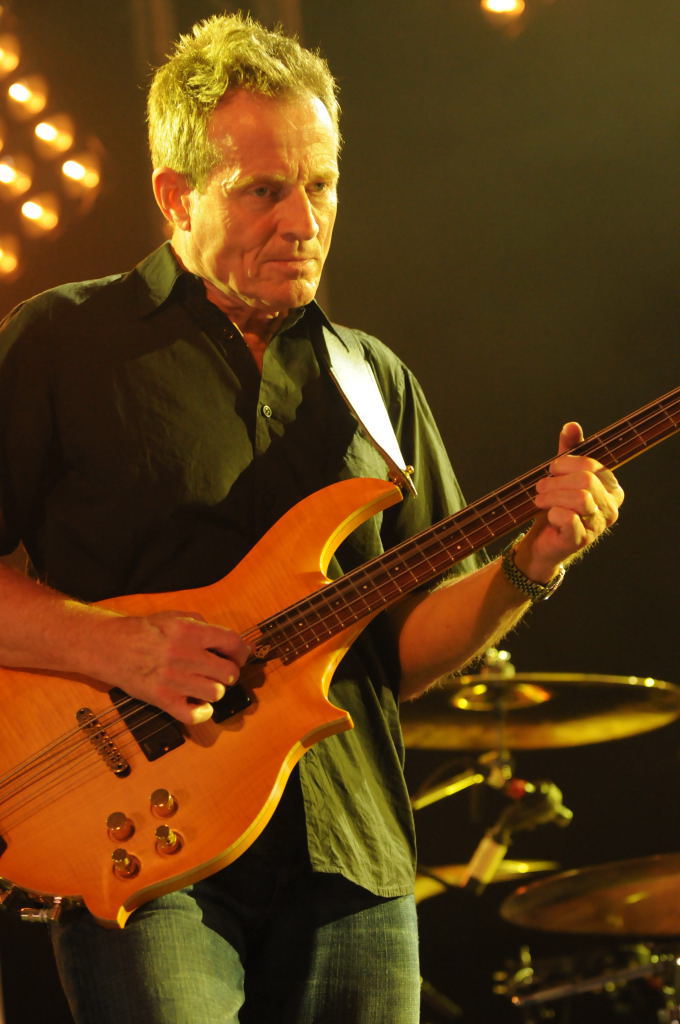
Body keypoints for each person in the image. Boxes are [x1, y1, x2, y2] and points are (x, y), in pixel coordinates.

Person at [0, 13, 624, 1024]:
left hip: (350, 859)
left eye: (321, 185)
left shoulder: (373, 381)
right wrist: (119, 648)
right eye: (264, 191)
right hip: (144, 845)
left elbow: (400, 653)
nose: (303, 221)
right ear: (175, 196)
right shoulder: (66, 341)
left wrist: (529, 565)